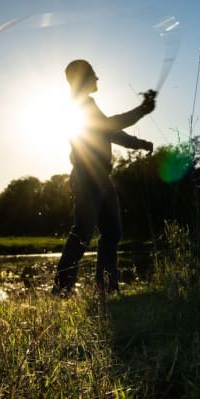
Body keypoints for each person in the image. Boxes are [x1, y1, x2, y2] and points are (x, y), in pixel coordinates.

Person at [53, 59, 155, 296]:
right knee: (83, 232)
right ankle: (61, 290)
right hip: (87, 177)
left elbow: (110, 131)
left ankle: (107, 289)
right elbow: (108, 126)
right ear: (83, 79)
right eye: (93, 74)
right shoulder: (77, 105)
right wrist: (141, 110)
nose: (98, 78)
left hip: (100, 178)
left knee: (112, 233)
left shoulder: (87, 103)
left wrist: (138, 143)